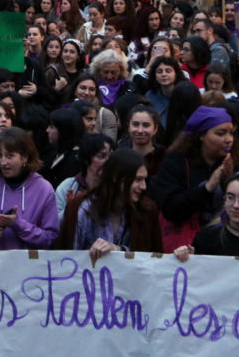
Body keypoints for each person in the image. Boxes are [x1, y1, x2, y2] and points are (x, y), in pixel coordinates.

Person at [152, 105, 236, 252]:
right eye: (221, 133)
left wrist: (230, 180)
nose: (228, 139)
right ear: (202, 135)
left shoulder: (231, 161)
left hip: (223, 244)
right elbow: (171, 209)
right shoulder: (176, 161)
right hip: (185, 247)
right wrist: (207, 187)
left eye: (231, 133)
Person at [70, 149, 162, 259]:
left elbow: (154, 260)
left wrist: (119, 251)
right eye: (138, 179)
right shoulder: (82, 209)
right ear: (116, 177)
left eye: (145, 180)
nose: (144, 186)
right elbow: (69, 261)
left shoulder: (146, 211)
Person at [0, 127, 59, 250]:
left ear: (25, 157)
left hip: (31, 266)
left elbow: (50, 238)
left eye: (10, 156)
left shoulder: (44, 189)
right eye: (0, 156)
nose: (3, 162)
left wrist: (19, 225)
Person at [174, 174, 239, 259]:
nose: (236, 205)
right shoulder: (208, 236)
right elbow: (195, 269)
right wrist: (186, 257)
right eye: (230, 197)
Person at [55, 133, 113, 223]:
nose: (108, 161)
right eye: (101, 156)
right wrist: (72, 207)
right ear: (86, 159)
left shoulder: (115, 187)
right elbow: (55, 223)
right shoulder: (67, 186)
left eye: (111, 156)